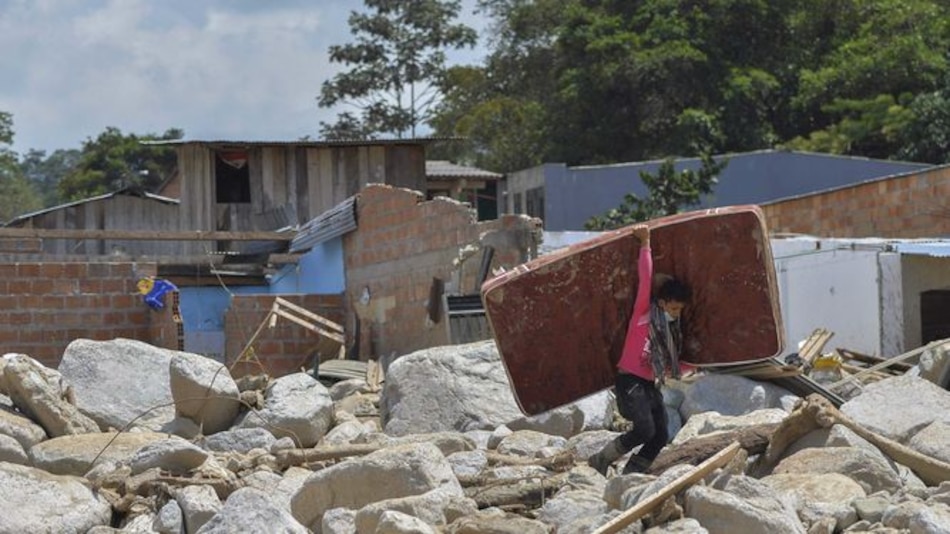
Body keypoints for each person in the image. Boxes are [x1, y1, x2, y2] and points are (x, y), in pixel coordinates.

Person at [588, 224, 693, 475]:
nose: (676, 314)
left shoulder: (670, 335)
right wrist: (645, 243)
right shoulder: (643, 316)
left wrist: (694, 366)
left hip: (648, 385)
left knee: (660, 435)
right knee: (644, 429)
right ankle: (601, 459)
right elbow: (645, 279)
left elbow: (667, 367)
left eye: (680, 311)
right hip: (629, 383)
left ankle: (631, 475)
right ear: (663, 302)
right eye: (674, 309)